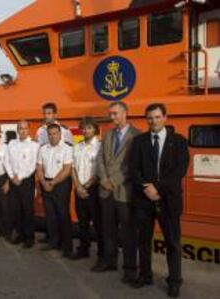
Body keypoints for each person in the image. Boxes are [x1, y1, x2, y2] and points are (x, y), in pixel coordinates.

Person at [130, 103, 189, 298]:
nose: (153, 121)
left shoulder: (179, 142)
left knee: (172, 242)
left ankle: (174, 281)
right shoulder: (139, 142)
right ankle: (145, 275)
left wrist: (157, 188)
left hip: (168, 200)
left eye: (157, 117)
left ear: (165, 117)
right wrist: (146, 188)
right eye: (149, 118)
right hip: (144, 199)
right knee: (144, 240)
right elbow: (133, 170)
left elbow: (180, 171)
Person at [95, 101, 140, 283]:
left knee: (128, 233)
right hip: (105, 191)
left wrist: (112, 181)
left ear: (125, 113)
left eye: (114, 113)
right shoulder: (107, 135)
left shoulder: (137, 136)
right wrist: (104, 179)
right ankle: (109, 261)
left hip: (124, 192)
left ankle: (130, 268)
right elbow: (100, 159)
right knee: (108, 229)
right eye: (110, 114)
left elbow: (133, 165)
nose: (112, 117)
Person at [36, 124, 74, 259]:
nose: (52, 136)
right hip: (46, 183)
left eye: (55, 133)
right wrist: (44, 182)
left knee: (63, 215)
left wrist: (53, 182)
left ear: (60, 134)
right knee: (50, 215)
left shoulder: (67, 149)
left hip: (61, 184)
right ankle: (53, 242)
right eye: (50, 134)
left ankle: (67, 247)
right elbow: (39, 167)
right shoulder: (43, 149)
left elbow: (67, 169)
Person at [72, 117, 103, 261]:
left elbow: (99, 171)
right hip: (78, 189)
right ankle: (83, 249)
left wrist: (86, 186)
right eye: (83, 128)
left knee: (98, 223)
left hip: (93, 190)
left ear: (95, 129)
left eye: (89, 128)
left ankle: (102, 253)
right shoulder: (77, 147)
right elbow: (73, 168)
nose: (86, 131)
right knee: (82, 222)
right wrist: (78, 186)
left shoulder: (100, 147)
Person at [6, 120, 39, 248]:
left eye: (25, 128)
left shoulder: (34, 146)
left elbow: (33, 165)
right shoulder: (12, 143)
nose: (23, 131)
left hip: (26, 181)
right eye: (20, 128)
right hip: (13, 180)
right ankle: (20, 235)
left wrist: (19, 177)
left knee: (28, 210)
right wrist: (12, 176)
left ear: (29, 130)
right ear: (17, 130)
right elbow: (6, 161)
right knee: (16, 210)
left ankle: (29, 238)